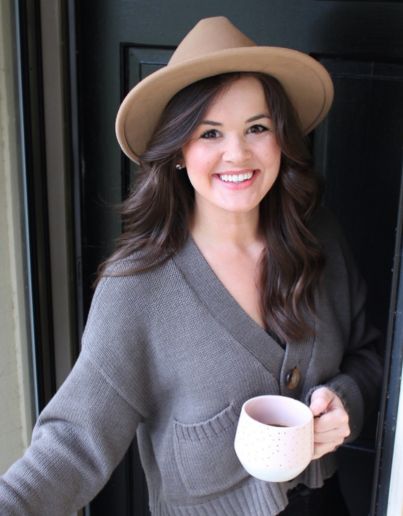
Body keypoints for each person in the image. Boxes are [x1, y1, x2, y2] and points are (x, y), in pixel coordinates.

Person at [0, 16, 382, 516]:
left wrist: (344, 399)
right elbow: (73, 444)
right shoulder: (138, 288)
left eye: (257, 128)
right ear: (178, 150)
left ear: (281, 138)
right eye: (210, 133)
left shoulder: (320, 237)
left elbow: (370, 358)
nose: (237, 153)